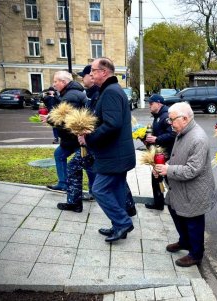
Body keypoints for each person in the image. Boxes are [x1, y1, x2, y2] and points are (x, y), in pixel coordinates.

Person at [78, 57, 136, 242]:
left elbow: (112, 124)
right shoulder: (112, 90)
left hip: (113, 155)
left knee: (99, 190)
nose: (91, 74)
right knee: (118, 189)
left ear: (104, 72)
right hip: (118, 154)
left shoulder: (110, 92)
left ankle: (123, 222)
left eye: (93, 70)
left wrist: (89, 138)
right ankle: (118, 226)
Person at [154, 102, 217, 267]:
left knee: (193, 221)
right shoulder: (182, 131)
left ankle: (196, 254)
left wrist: (168, 170)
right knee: (175, 211)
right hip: (180, 188)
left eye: (172, 119)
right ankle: (184, 241)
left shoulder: (198, 138)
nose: (170, 123)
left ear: (184, 118)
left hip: (194, 191)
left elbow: (192, 170)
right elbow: (177, 157)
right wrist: (163, 168)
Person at [56, 65, 98, 212]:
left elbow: (106, 121)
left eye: (84, 75)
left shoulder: (101, 93)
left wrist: (87, 134)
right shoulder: (90, 94)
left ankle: (125, 213)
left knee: (111, 175)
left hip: (95, 142)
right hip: (88, 140)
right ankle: (75, 202)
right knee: (79, 166)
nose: (82, 78)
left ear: (92, 77)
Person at [46, 71, 87, 193]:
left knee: (86, 164)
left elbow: (68, 120)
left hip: (75, 138)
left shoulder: (70, 96)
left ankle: (92, 191)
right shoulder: (71, 93)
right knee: (60, 155)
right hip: (73, 138)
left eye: (55, 81)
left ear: (64, 82)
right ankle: (63, 183)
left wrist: (50, 119)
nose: (54, 84)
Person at [144, 94, 176, 211]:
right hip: (160, 153)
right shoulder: (158, 116)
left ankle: (172, 202)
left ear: (159, 103)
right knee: (157, 177)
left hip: (167, 153)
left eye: (151, 104)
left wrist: (156, 139)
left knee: (167, 179)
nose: (149, 106)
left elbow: (173, 134)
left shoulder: (166, 116)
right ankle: (159, 203)